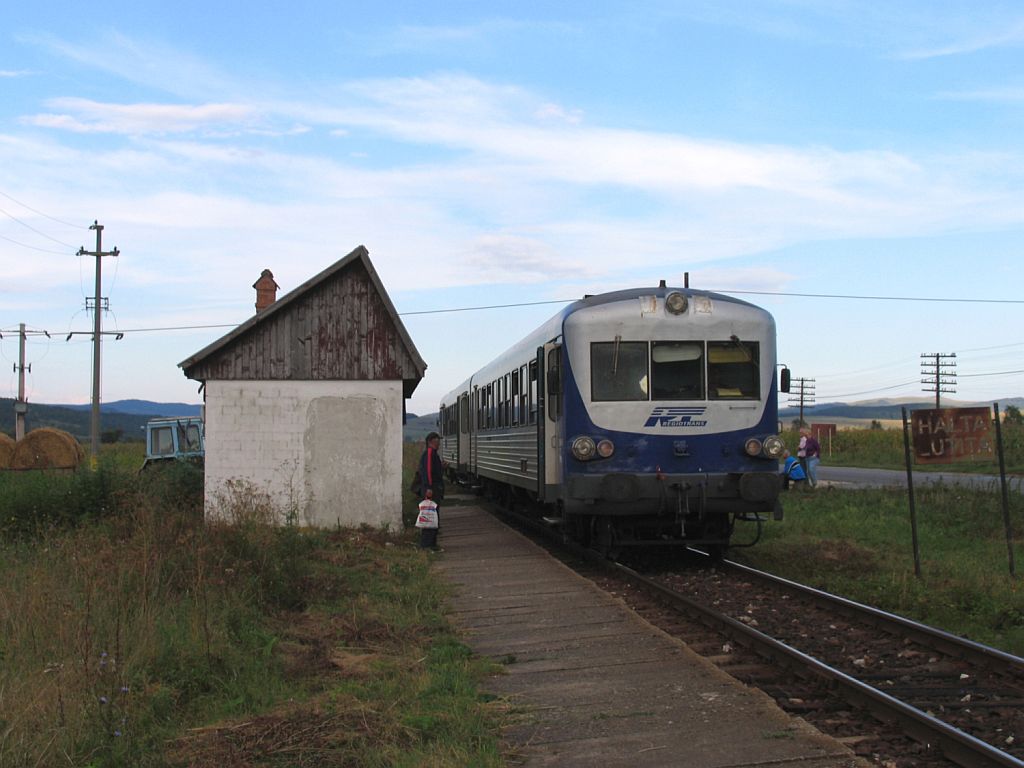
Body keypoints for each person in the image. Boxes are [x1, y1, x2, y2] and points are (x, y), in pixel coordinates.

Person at [416, 432, 446, 548]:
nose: (438, 444)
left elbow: (433, 470)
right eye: (436, 441)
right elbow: (428, 471)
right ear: (430, 442)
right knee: (429, 516)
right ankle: (427, 544)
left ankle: (432, 543)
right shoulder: (429, 453)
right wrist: (428, 487)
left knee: (433, 516)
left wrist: (441, 467)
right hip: (431, 489)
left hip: (434, 489)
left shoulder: (433, 454)